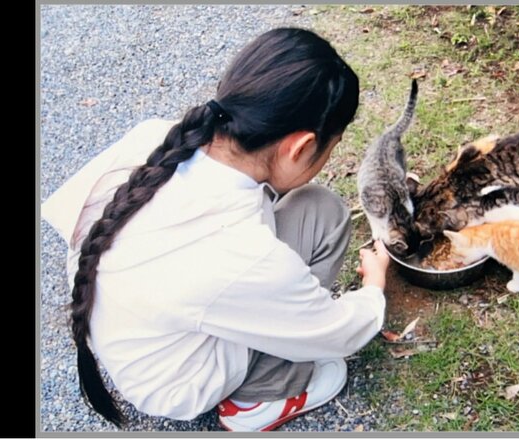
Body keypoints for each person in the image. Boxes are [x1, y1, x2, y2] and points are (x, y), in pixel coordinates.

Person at [41, 27, 390, 432]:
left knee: (318, 210)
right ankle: (261, 396)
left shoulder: (157, 137)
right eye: (332, 148)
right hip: (177, 383)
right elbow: (339, 334)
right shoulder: (244, 254)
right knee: (321, 225)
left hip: (133, 341)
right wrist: (374, 289)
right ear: (300, 146)